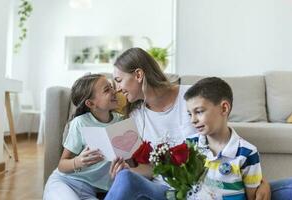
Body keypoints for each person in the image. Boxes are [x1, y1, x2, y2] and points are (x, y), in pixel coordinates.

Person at [104, 47, 274, 200]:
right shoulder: (136, 116)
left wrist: (257, 180)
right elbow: (154, 169)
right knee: (125, 178)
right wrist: (126, 171)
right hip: (164, 191)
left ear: (139, 75)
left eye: (118, 80)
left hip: (210, 187)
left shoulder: (190, 97)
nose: (117, 89)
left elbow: (223, 138)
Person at [43, 74, 123, 200]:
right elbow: (62, 165)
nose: (114, 91)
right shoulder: (80, 123)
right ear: (90, 103)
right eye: (107, 90)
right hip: (66, 183)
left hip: (90, 192)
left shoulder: (121, 122)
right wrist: (79, 161)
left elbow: (130, 161)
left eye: (111, 87)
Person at [184, 77, 262, 200]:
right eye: (190, 114)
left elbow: (252, 197)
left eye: (199, 111)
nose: (192, 120)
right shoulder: (189, 144)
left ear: (224, 108)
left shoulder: (248, 153)